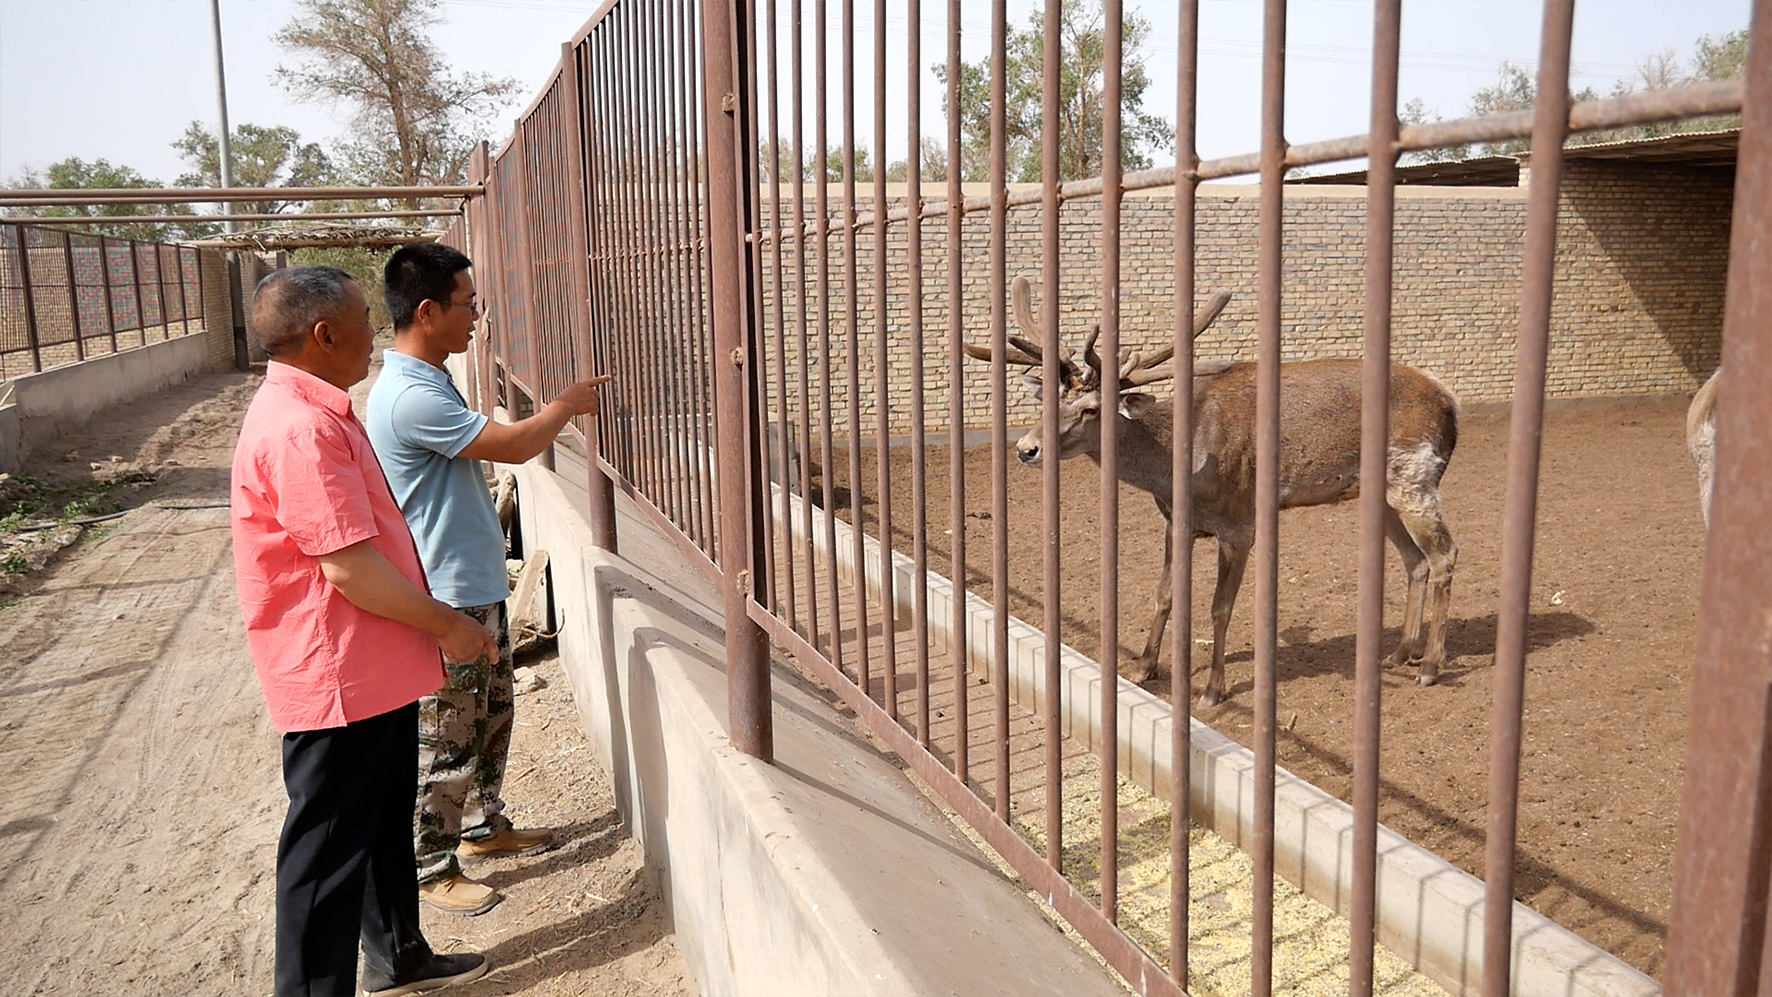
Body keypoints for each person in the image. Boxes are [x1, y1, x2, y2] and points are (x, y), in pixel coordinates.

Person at [230, 266, 499, 995]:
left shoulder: (318, 409)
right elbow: (350, 569)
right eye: (362, 324)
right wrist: (450, 626)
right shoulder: (301, 428)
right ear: (323, 336)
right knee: (326, 854)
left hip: (373, 666)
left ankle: (398, 952)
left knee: (379, 824)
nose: (372, 337)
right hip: (339, 672)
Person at [368, 242, 610, 916]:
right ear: (427, 310)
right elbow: (510, 445)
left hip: (473, 581)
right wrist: (564, 406)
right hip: (449, 591)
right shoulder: (409, 397)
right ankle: (432, 863)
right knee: (450, 727)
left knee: (490, 714)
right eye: (469, 304)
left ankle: (481, 826)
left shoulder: (430, 378)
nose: (478, 317)